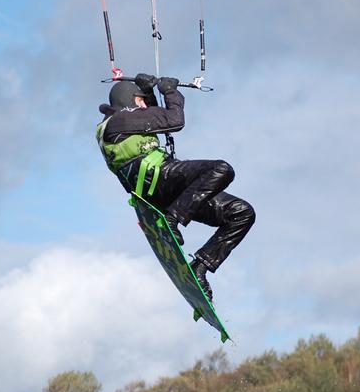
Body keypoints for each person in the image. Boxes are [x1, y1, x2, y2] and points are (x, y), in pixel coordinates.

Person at [96, 74, 255, 300]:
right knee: (221, 169)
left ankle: (200, 267)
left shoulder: (126, 122)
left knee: (242, 213)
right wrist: (170, 92)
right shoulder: (119, 120)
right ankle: (171, 220)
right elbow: (174, 120)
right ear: (129, 101)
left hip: (167, 187)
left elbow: (155, 118)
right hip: (156, 180)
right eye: (140, 100)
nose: (143, 104)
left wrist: (149, 91)